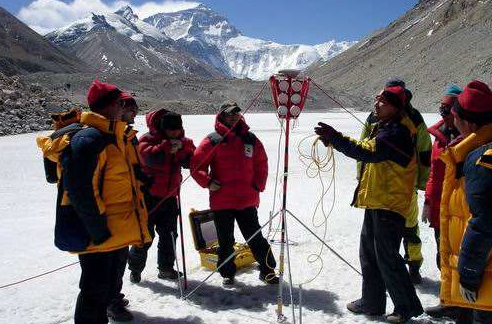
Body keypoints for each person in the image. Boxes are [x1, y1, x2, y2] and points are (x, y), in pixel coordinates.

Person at [38, 80, 152, 324]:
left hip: (115, 230)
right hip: (99, 233)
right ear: (109, 106)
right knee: (94, 293)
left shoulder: (115, 134)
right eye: (121, 103)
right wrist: (98, 230)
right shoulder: (90, 139)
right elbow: (80, 191)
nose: (125, 107)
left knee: (106, 289)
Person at [315, 85, 423, 323]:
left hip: (390, 203)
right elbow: (369, 151)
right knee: (369, 254)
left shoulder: (398, 132)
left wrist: (336, 138)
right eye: (377, 101)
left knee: (387, 256)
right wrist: (336, 140)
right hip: (378, 200)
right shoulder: (385, 127)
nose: (377, 105)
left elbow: (368, 152)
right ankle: (372, 302)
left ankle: (406, 307)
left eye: (382, 103)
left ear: (396, 107)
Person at [190, 100, 278, 286]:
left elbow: (261, 163)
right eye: (229, 113)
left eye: (236, 113)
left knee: (255, 236)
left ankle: (268, 270)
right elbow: (197, 166)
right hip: (222, 200)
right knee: (225, 239)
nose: (233, 116)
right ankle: (227, 273)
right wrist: (207, 182)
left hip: (247, 198)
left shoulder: (250, 139)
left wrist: (258, 185)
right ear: (221, 115)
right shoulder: (213, 139)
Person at [357, 78, 431, 284]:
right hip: (379, 183)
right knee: (399, 228)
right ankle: (399, 269)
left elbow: (425, 151)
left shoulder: (412, 118)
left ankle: (412, 266)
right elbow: (365, 147)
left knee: (407, 226)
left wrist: (423, 183)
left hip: (403, 183)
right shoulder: (377, 116)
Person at [438, 80, 492, 324]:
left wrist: (468, 274)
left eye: (455, 116)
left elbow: (484, 222)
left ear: (468, 122)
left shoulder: (482, 160)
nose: (452, 122)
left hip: (485, 278)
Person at [128, 109, 195, 282]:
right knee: (145, 236)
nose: (175, 132)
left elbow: (191, 160)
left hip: (170, 197)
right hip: (148, 197)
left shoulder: (182, 141)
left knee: (170, 234)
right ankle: (135, 269)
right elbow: (149, 159)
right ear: (162, 128)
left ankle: (166, 269)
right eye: (171, 129)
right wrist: (166, 147)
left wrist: (183, 147)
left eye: (177, 129)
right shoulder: (146, 140)